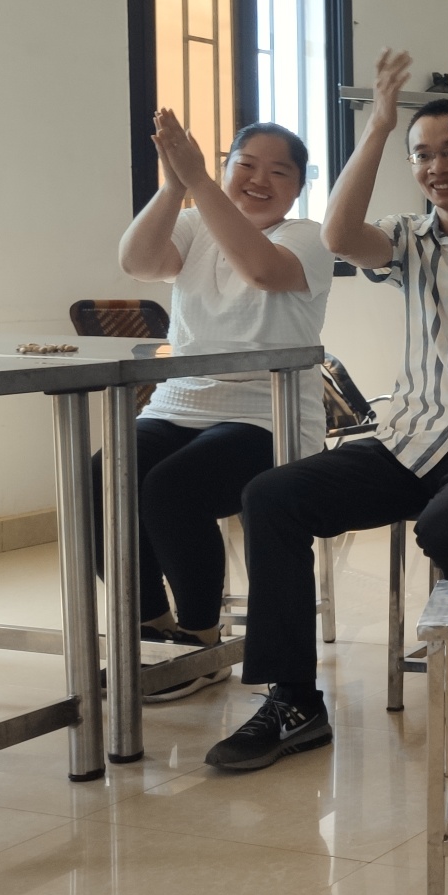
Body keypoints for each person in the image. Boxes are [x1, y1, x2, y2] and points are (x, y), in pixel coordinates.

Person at [206, 49, 448, 772]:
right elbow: (340, 237)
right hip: (411, 440)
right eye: (423, 155)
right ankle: (293, 701)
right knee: (271, 497)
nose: (438, 166)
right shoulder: (407, 239)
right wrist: (377, 125)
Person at [101, 111, 334, 700]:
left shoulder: (308, 237)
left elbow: (261, 271)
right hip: (179, 402)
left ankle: (202, 641)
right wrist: (175, 185)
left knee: (172, 487)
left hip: (268, 414)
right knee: (105, 475)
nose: (258, 180)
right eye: (245, 165)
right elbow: (138, 263)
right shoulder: (192, 222)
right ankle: (153, 627)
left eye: (278, 172)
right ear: (227, 167)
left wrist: (200, 182)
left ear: (298, 186)